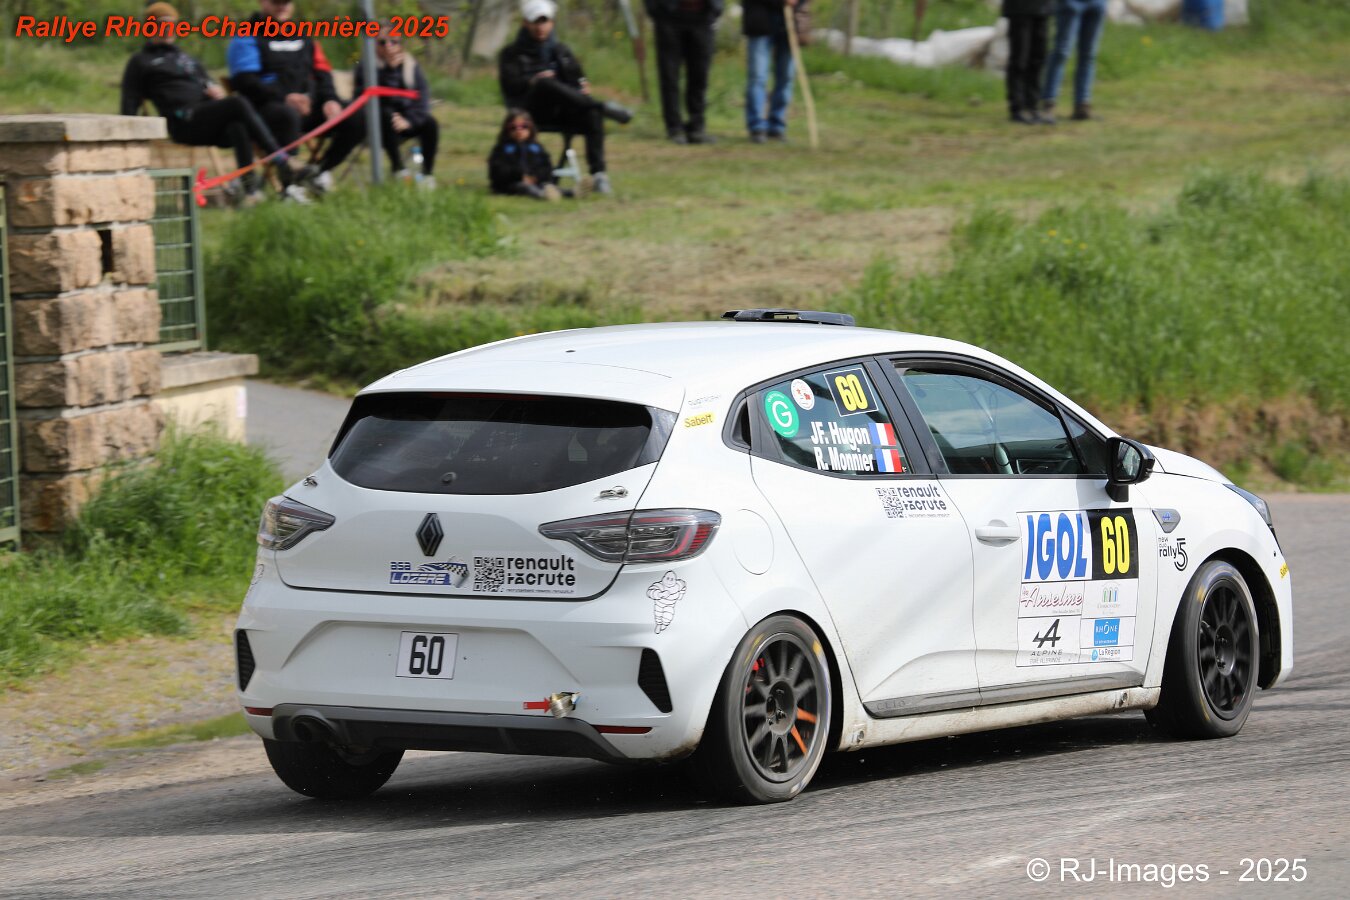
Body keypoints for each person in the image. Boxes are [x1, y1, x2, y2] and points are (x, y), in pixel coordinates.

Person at [120, 2, 306, 203]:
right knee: (237, 103)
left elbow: (207, 82)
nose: (168, 30)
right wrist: (128, 141)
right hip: (183, 122)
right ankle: (281, 160)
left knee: (238, 124)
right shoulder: (140, 61)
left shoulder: (187, 59)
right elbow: (129, 101)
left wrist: (214, 91)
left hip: (205, 119)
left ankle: (250, 191)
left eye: (172, 25)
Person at [227, 0, 363, 193]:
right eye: (276, 1)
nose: (282, 6)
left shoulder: (304, 35)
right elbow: (245, 81)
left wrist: (329, 99)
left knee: (356, 116)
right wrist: (284, 97)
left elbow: (323, 73)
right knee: (287, 115)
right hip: (267, 110)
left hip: (307, 106)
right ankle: (289, 187)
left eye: (286, 2)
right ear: (262, 2)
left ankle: (317, 172)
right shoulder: (247, 35)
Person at [498, 0, 632, 195]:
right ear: (526, 23)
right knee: (545, 83)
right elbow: (510, 86)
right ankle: (602, 106)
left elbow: (578, 79)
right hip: (530, 112)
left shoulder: (561, 51)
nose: (540, 27)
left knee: (591, 113)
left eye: (544, 21)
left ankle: (599, 174)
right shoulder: (511, 54)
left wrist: (581, 87)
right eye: (535, 22)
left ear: (552, 23)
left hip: (563, 110)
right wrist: (533, 81)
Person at [354, 30, 439, 187]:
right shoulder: (366, 67)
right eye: (382, 42)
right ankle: (398, 169)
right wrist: (389, 71)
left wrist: (409, 121)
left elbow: (422, 98)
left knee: (430, 123)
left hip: (406, 121)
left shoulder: (411, 66)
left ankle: (427, 174)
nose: (388, 46)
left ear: (401, 44)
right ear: (374, 45)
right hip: (377, 126)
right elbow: (372, 99)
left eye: (394, 41)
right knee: (386, 115)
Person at [645, 0, 723, 144]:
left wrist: (717, 8)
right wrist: (655, 10)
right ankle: (674, 128)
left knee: (700, 75)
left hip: (703, 17)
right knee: (669, 76)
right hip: (669, 17)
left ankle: (696, 127)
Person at [742, 0, 800, 143]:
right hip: (760, 18)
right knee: (758, 76)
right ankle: (757, 126)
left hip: (789, 21)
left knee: (786, 76)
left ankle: (777, 126)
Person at [1041, 0, 1108, 122]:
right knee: (1061, 52)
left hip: (1097, 3)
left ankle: (1082, 105)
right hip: (1071, 3)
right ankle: (1048, 104)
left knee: (1089, 55)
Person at [488, 110, 563, 200]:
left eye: (524, 126)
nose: (519, 131)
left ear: (531, 128)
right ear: (506, 129)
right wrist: (520, 176)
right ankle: (542, 195)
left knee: (547, 186)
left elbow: (547, 167)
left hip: (536, 181)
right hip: (511, 184)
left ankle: (571, 192)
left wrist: (537, 177)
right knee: (525, 187)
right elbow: (497, 171)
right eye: (513, 127)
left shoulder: (536, 148)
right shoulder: (502, 149)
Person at [1002, 0, 1055, 125]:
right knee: (1019, 59)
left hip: (1043, 9)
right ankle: (1017, 108)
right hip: (1019, 9)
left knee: (1038, 58)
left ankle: (1033, 106)